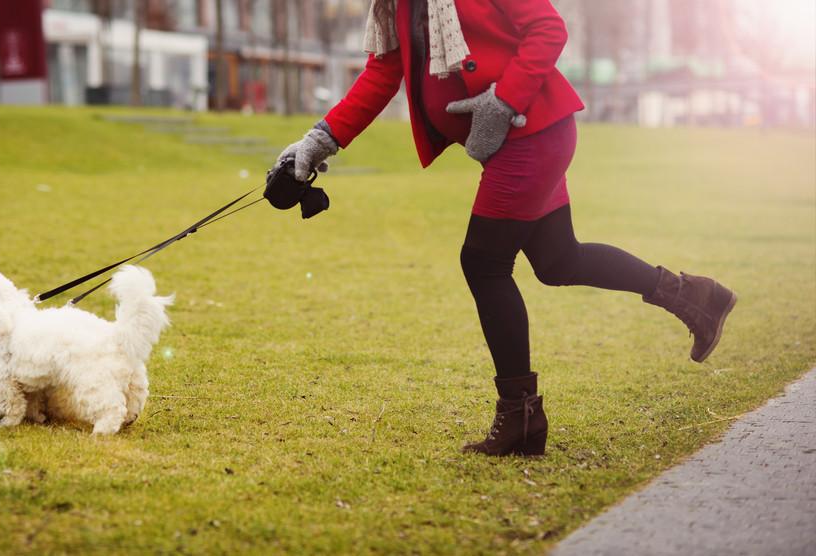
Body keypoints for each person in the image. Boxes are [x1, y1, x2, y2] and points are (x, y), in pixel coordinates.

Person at [273, 0, 737, 457]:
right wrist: (321, 139)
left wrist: (504, 99)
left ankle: (520, 415)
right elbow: (382, 72)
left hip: (530, 130)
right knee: (559, 260)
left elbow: (549, 28)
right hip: (513, 141)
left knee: (484, 263)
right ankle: (695, 296)